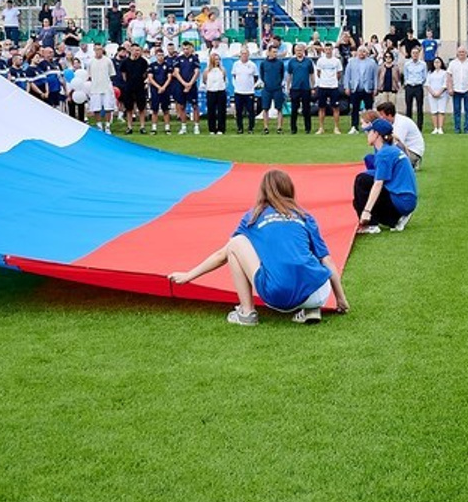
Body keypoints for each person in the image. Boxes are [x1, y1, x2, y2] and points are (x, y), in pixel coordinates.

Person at [169, 169, 348, 325]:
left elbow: (221, 254)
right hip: (318, 292)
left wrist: (188, 275)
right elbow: (327, 260)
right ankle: (311, 308)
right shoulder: (305, 216)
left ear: (262, 191)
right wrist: (340, 299)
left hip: (279, 295)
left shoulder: (253, 217)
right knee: (308, 255)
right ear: (289, 189)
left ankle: (246, 313)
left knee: (235, 244)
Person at [354, 119, 419, 232]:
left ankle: (373, 224)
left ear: (376, 134)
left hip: (400, 201)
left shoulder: (385, 154)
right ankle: (394, 218)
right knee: (365, 178)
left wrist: (366, 211)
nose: (367, 135)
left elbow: (378, 184)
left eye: (369, 132)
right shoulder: (391, 149)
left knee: (361, 181)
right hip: (406, 199)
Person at [314, 43, 343, 134]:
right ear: (324, 50)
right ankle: (321, 127)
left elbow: (339, 74)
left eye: (330, 49)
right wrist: (324, 80)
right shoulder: (320, 61)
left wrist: (333, 80)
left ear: (332, 50)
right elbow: (318, 73)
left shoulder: (336, 61)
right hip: (323, 86)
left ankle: (336, 127)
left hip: (333, 86)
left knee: (335, 108)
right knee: (321, 107)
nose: (328, 51)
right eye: (326, 49)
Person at [286, 43, 315, 134]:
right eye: (297, 50)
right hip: (295, 88)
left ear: (303, 51)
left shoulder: (308, 62)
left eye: (300, 50)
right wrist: (288, 87)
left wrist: (312, 86)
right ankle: (293, 129)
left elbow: (312, 75)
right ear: (295, 51)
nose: (299, 52)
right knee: (294, 109)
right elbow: (289, 75)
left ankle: (308, 128)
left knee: (306, 109)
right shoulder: (291, 62)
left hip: (306, 88)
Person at [449, 46, 468, 134]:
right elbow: (449, 76)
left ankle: (467, 128)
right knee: (457, 110)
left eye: (463, 52)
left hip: (467, 90)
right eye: (460, 52)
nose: (461, 53)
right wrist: (450, 88)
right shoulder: (453, 63)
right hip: (456, 90)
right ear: (457, 53)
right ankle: (457, 128)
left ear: (466, 53)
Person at [231, 48, 259, 132]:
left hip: (249, 92)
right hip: (238, 92)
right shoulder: (236, 64)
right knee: (239, 111)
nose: (244, 55)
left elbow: (256, 77)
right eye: (243, 54)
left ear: (248, 55)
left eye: (246, 54)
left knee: (251, 111)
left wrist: (251, 86)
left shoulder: (252, 65)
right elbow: (234, 76)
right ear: (240, 55)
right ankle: (240, 128)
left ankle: (251, 128)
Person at [203, 50, 228, 135]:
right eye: (216, 59)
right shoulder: (207, 71)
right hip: (211, 92)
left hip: (220, 91)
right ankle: (212, 129)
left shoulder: (222, 70)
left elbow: (224, 79)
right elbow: (204, 80)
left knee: (221, 111)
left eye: (218, 59)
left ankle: (221, 128)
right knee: (211, 111)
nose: (217, 61)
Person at [402, 46, 428, 128]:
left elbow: (424, 77)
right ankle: (408, 126)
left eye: (416, 53)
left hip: (418, 87)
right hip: (409, 87)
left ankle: (419, 126)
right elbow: (405, 76)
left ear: (419, 54)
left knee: (419, 107)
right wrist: (407, 84)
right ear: (411, 54)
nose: (415, 55)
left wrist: (420, 83)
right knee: (408, 107)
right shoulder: (407, 64)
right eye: (413, 53)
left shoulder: (423, 64)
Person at [425, 56, 451, 134]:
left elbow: (445, 84)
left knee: (441, 111)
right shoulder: (430, 73)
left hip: (442, 95)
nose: (437, 64)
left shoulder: (444, 73)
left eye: (438, 62)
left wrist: (439, 92)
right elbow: (427, 84)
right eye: (435, 62)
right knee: (434, 111)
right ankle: (435, 128)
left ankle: (440, 128)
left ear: (441, 63)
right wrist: (432, 93)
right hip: (432, 95)